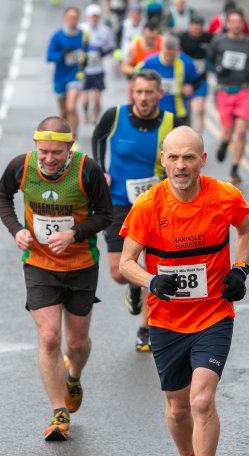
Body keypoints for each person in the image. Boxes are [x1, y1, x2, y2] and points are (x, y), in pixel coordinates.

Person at [119, 126, 249, 456]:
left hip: (214, 315)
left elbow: (245, 232)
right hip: (166, 321)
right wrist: (151, 280)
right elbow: (127, 261)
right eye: (174, 157)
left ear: (202, 161)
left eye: (189, 157)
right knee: (178, 409)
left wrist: (240, 269)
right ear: (163, 160)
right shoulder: (147, 206)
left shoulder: (224, 196)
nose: (181, 165)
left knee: (201, 401)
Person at [0, 116, 113, 442]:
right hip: (39, 263)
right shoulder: (21, 166)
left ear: (69, 149)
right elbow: (1, 196)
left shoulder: (86, 171)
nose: (48, 159)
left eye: (56, 153)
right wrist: (16, 229)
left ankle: (73, 377)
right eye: (43, 151)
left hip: (81, 264)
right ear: (36, 147)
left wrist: (74, 233)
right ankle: (59, 412)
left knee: (76, 343)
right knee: (49, 337)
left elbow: (106, 215)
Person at [92, 70, 186, 351]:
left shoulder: (173, 123)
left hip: (157, 204)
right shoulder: (115, 116)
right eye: (139, 92)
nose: (143, 98)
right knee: (119, 272)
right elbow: (98, 137)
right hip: (118, 202)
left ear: (160, 94)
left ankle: (146, 327)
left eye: (149, 92)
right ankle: (135, 284)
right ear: (132, 92)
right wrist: (101, 169)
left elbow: (186, 157)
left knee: (156, 266)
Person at [207, 7, 249, 184]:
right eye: (233, 22)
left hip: (243, 90)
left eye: (239, 22)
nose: (236, 25)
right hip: (224, 91)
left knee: (242, 131)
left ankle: (235, 168)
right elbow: (209, 63)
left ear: (243, 24)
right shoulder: (218, 41)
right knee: (227, 132)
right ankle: (224, 143)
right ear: (227, 24)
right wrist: (219, 69)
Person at [137, 33, 200, 123]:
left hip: (179, 112)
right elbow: (139, 80)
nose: (169, 58)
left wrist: (190, 86)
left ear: (178, 50)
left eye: (172, 55)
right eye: (166, 54)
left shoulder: (187, 62)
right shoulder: (150, 62)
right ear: (161, 48)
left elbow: (196, 81)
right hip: (155, 111)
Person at [46, 7, 88, 141]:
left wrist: (85, 58)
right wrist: (62, 55)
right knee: (64, 111)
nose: (73, 21)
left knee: (71, 107)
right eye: (70, 18)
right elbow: (49, 56)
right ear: (65, 19)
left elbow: (88, 54)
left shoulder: (83, 35)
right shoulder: (57, 36)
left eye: (75, 18)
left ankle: (73, 138)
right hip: (60, 77)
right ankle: (63, 136)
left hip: (76, 76)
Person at [79, 4, 116, 124]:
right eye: (92, 16)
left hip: (98, 70)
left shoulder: (105, 30)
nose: (94, 19)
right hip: (84, 70)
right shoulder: (81, 29)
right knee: (85, 100)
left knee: (98, 100)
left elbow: (111, 47)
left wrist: (104, 52)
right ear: (88, 17)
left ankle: (94, 118)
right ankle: (85, 112)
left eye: (96, 16)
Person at [179, 15, 212, 135]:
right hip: (185, 79)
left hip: (201, 79)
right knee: (185, 110)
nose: (196, 31)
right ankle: (187, 134)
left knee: (199, 109)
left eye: (199, 28)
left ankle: (198, 138)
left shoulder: (208, 38)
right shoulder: (182, 38)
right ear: (189, 27)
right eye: (194, 28)